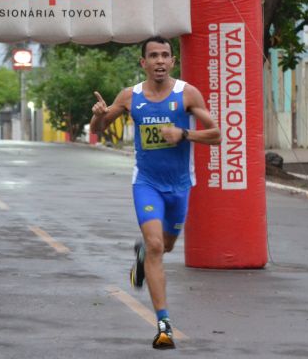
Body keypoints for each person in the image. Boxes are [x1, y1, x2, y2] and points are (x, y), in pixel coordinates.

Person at [90, 36, 221, 349]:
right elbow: (98, 130)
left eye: (165, 55)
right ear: (143, 63)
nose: (160, 61)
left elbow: (216, 134)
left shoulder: (186, 93)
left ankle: (141, 256)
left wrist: (184, 133)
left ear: (172, 61)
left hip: (179, 185)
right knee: (155, 245)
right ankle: (164, 325)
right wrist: (98, 113)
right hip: (146, 183)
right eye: (153, 56)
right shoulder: (130, 96)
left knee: (167, 246)